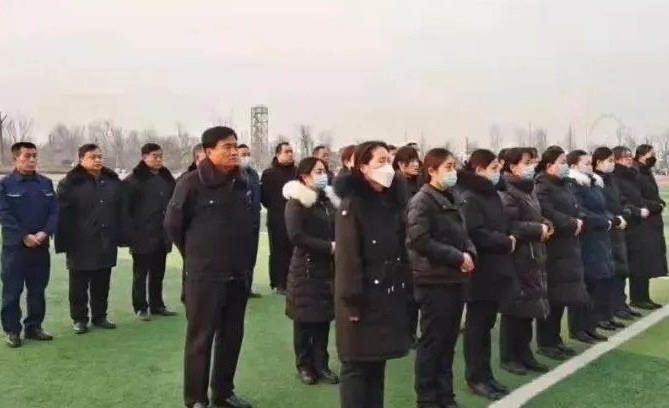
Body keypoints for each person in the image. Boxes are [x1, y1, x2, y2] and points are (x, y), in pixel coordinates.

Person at [164, 126, 254, 408]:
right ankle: (196, 399)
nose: (234, 152)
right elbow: (174, 225)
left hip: (238, 273)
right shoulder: (190, 183)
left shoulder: (242, 182)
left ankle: (223, 392)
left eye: (236, 146)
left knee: (232, 337)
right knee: (200, 339)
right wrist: (197, 256)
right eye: (227, 146)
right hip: (205, 275)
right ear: (208, 151)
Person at [333, 141, 410, 408]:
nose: (387, 167)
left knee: (377, 364)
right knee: (356, 367)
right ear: (362, 167)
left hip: (385, 296)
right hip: (360, 300)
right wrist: (352, 301)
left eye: (389, 160)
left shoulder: (389, 203)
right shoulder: (352, 205)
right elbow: (347, 259)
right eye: (380, 161)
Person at [406, 148, 476, 408]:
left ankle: (445, 395)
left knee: (447, 341)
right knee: (432, 342)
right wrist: (456, 257)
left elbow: (463, 233)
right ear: (431, 170)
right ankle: (427, 397)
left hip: (454, 279)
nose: (453, 171)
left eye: (454, 166)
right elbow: (420, 240)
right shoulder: (422, 201)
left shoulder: (453, 197)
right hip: (433, 280)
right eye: (447, 167)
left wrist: (469, 252)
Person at [456, 149, 515, 401]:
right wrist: (504, 241)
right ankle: (475, 377)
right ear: (479, 170)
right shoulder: (470, 197)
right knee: (476, 327)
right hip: (480, 270)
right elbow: (475, 233)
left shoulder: (491, 194)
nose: (497, 173)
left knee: (487, 325)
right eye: (493, 168)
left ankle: (486, 374)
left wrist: (508, 237)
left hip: (496, 268)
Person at [55, 143, 124, 334]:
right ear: (81, 159)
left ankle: (100, 316)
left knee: (102, 282)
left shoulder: (112, 181)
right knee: (78, 284)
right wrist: (66, 241)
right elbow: (62, 215)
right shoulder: (70, 183)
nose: (98, 160)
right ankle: (79, 319)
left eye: (100, 156)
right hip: (80, 242)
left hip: (106, 240)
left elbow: (120, 210)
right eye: (93, 157)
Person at [283, 157, 340, 386]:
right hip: (305, 270)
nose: (322, 175)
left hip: (327, 269)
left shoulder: (327, 201)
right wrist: (329, 247)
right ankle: (304, 365)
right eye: (318, 171)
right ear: (304, 176)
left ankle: (321, 364)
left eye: (324, 170)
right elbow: (296, 236)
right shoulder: (296, 203)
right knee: (304, 320)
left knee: (323, 319)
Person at [498, 147, 551, 375]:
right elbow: (509, 225)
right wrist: (537, 229)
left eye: (532, 162)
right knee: (514, 309)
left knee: (528, 308)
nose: (531, 167)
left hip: (533, 255)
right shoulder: (507, 191)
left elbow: (536, 216)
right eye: (526, 163)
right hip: (518, 256)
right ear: (512, 166)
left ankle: (524, 353)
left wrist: (546, 224)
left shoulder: (527, 190)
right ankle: (509, 356)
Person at [0, 142, 58, 347]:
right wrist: (24, 235)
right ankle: (12, 331)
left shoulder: (45, 184)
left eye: (34, 156)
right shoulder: (5, 185)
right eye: (27, 156)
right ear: (15, 159)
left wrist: (44, 232)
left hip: (40, 246)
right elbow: (4, 214)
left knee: (37, 289)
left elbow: (54, 212)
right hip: (15, 248)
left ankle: (34, 327)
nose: (32, 160)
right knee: (12, 291)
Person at [534, 147, 588, 360]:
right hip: (553, 249)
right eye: (562, 162)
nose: (565, 166)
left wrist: (578, 219)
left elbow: (575, 207)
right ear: (549, 165)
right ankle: (546, 342)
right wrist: (571, 223)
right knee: (552, 298)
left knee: (561, 298)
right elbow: (548, 213)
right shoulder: (542, 186)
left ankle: (555, 339)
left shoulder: (564, 184)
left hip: (568, 247)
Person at [122, 143, 176, 321]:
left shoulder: (167, 178)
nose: (159, 159)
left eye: (160, 156)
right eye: (154, 156)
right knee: (140, 274)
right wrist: (130, 235)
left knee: (158, 273)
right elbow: (126, 211)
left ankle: (157, 304)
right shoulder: (133, 181)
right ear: (144, 157)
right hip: (141, 234)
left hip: (162, 234)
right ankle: (140, 307)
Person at [566, 150, 615, 344]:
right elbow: (581, 211)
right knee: (583, 285)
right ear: (573, 165)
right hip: (585, 240)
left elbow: (603, 207)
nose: (589, 166)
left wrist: (610, 219)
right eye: (585, 163)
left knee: (594, 283)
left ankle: (590, 325)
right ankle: (578, 328)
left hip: (599, 238)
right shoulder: (574, 184)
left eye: (589, 162)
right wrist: (604, 221)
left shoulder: (593, 183)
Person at [592, 147, 639, 320]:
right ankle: (608, 310)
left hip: (619, 227)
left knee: (620, 269)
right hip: (608, 229)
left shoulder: (611, 179)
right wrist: (615, 219)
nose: (612, 164)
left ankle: (620, 304)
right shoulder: (596, 180)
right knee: (609, 271)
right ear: (599, 162)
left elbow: (620, 200)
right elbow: (600, 205)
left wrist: (625, 212)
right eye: (610, 161)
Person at [631, 144, 667, 307]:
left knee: (647, 261)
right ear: (641, 155)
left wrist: (658, 201)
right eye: (651, 154)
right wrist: (654, 205)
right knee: (640, 261)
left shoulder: (646, 171)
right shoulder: (636, 172)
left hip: (651, 222)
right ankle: (638, 297)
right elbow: (636, 197)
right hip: (642, 222)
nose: (653, 157)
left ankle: (644, 297)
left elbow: (650, 193)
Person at [261, 142, 298, 294]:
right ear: (278, 154)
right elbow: (265, 198)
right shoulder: (269, 174)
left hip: (296, 217)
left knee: (294, 250)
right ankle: (279, 282)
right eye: (286, 152)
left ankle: (293, 281)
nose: (290, 154)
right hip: (277, 217)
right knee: (278, 250)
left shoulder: (297, 172)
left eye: (291, 151)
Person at [178, 143, 206, 304]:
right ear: (196, 159)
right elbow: (175, 219)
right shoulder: (186, 181)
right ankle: (188, 296)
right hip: (192, 236)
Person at [238, 144, 262, 298]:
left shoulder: (254, 174)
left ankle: (248, 287)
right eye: (243, 154)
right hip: (240, 223)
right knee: (240, 257)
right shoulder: (234, 174)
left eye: (248, 154)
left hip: (254, 220)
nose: (246, 157)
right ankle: (240, 288)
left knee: (251, 257)